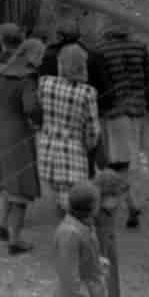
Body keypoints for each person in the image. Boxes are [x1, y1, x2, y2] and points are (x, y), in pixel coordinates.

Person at [93, 20, 149, 230]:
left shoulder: (101, 50)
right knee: (134, 157)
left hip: (115, 112)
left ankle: (124, 204)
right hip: (138, 108)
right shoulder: (140, 48)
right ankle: (132, 201)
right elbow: (148, 79)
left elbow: (99, 83)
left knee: (119, 162)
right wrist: (147, 104)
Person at [0, 35, 45, 254]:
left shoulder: (2, 71)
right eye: (39, 54)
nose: (41, 59)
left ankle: (3, 224)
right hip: (17, 132)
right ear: (30, 55)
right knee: (21, 187)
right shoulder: (28, 78)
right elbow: (30, 107)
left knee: (7, 182)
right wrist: (41, 120)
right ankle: (16, 239)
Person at [38, 44, 102, 214]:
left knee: (62, 200)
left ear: (61, 63)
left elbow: (38, 114)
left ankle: (64, 233)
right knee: (76, 209)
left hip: (48, 155)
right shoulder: (88, 93)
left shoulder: (45, 83)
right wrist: (87, 146)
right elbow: (93, 132)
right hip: (74, 157)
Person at [52, 181, 108, 297]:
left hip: (89, 293)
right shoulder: (70, 233)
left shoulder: (83, 225)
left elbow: (81, 259)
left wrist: (97, 263)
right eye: (97, 202)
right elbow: (69, 276)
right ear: (90, 207)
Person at [90, 170, 130, 297]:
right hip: (100, 278)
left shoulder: (105, 215)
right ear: (107, 196)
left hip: (106, 275)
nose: (121, 203)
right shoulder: (96, 220)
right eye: (118, 197)